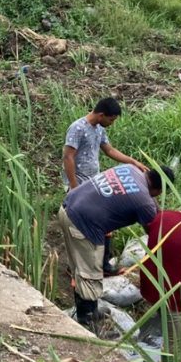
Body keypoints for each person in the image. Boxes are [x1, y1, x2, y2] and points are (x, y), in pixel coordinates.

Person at [58, 164, 172, 328]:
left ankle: (90, 309)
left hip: (68, 208)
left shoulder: (132, 169)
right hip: (81, 225)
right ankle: (87, 319)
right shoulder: (144, 203)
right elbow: (154, 235)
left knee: (82, 268)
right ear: (160, 191)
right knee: (89, 274)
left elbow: (150, 202)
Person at [62, 97, 147, 275]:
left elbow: (109, 150)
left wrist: (133, 162)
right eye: (111, 119)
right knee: (81, 227)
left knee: (105, 224)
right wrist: (74, 186)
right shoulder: (78, 128)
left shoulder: (99, 129)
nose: (112, 123)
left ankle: (104, 265)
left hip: (94, 183)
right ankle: (77, 267)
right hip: (79, 185)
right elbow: (68, 157)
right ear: (101, 115)